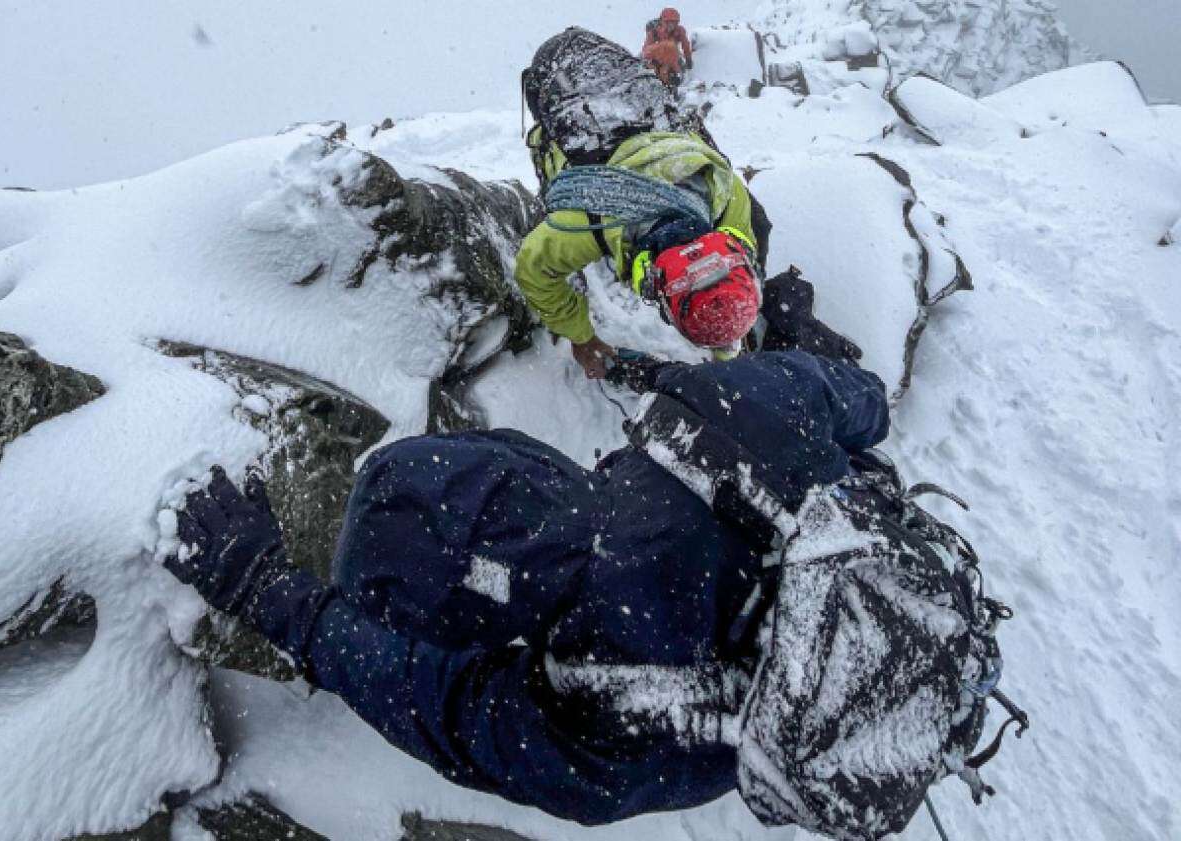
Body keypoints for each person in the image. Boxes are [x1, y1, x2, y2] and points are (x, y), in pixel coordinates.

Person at [162, 346, 1015, 835]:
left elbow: (437, 701)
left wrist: (264, 586)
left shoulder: (614, 711)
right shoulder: (729, 410)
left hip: (715, 691)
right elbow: (863, 402)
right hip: (856, 583)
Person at [517, 28, 764, 379]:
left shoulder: (722, 191)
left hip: (610, 68)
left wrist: (728, 342)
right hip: (554, 75)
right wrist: (581, 337)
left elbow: (717, 283)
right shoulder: (590, 219)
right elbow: (533, 268)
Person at [642, 8, 693, 86]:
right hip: (657, 59)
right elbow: (646, 50)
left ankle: (673, 80)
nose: (671, 25)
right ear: (662, 21)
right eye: (668, 22)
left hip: (673, 59)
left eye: (674, 22)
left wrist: (688, 59)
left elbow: (685, 45)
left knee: (671, 48)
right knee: (669, 46)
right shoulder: (654, 32)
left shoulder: (680, 31)